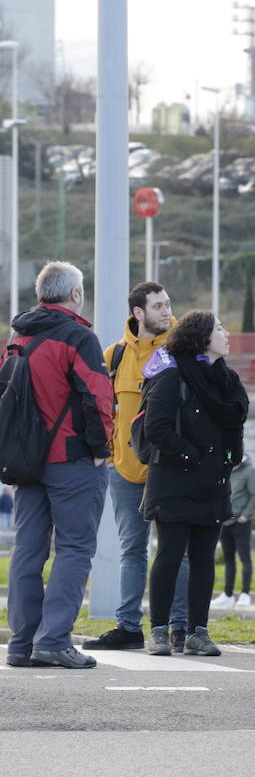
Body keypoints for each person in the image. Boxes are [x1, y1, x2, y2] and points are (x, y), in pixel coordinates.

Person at [3, 262, 113, 670]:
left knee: (27, 550)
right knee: (74, 548)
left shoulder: (18, 337)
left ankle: (21, 643)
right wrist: (102, 449)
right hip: (71, 460)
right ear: (76, 295)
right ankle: (54, 640)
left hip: (25, 462)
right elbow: (98, 396)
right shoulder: (78, 336)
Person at [84, 282, 192, 652]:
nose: (166, 311)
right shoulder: (114, 355)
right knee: (133, 550)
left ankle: (180, 626)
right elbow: (104, 409)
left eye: (168, 304)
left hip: (171, 469)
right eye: (158, 306)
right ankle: (128, 626)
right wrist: (110, 455)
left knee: (176, 550)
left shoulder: (182, 351)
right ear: (138, 313)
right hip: (125, 470)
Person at [140, 311, 249, 658]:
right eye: (219, 329)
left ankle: (196, 632)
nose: (227, 333)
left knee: (204, 558)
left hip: (213, 481)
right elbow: (156, 427)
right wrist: (189, 455)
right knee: (170, 555)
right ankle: (158, 631)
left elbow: (234, 426)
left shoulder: (226, 380)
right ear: (202, 337)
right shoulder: (173, 375)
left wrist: (232, 456)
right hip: (174, 480)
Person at [211, 453, 255, 610]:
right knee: (228, 560)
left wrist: (245, 516)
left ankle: (245, 594)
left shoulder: (250, 472)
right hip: (225, 521)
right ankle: (228, 595)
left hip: (241, 522)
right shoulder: (227, 469)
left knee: (245, 559)